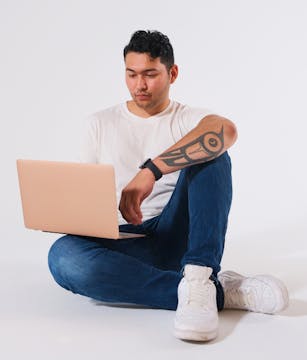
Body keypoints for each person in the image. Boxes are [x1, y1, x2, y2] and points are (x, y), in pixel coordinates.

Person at [48, 30, 289, 342]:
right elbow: (85, 194)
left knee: (212, 152)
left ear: (172, 73)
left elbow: (225, 130)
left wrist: (151, 171)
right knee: (63, 258)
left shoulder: (187, 118)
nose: (140, 85)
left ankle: (199, 274)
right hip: (123, 243)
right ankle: (214, 292)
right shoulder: (98, 123)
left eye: (150, 74)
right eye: (131, 74)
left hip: (177, 235)